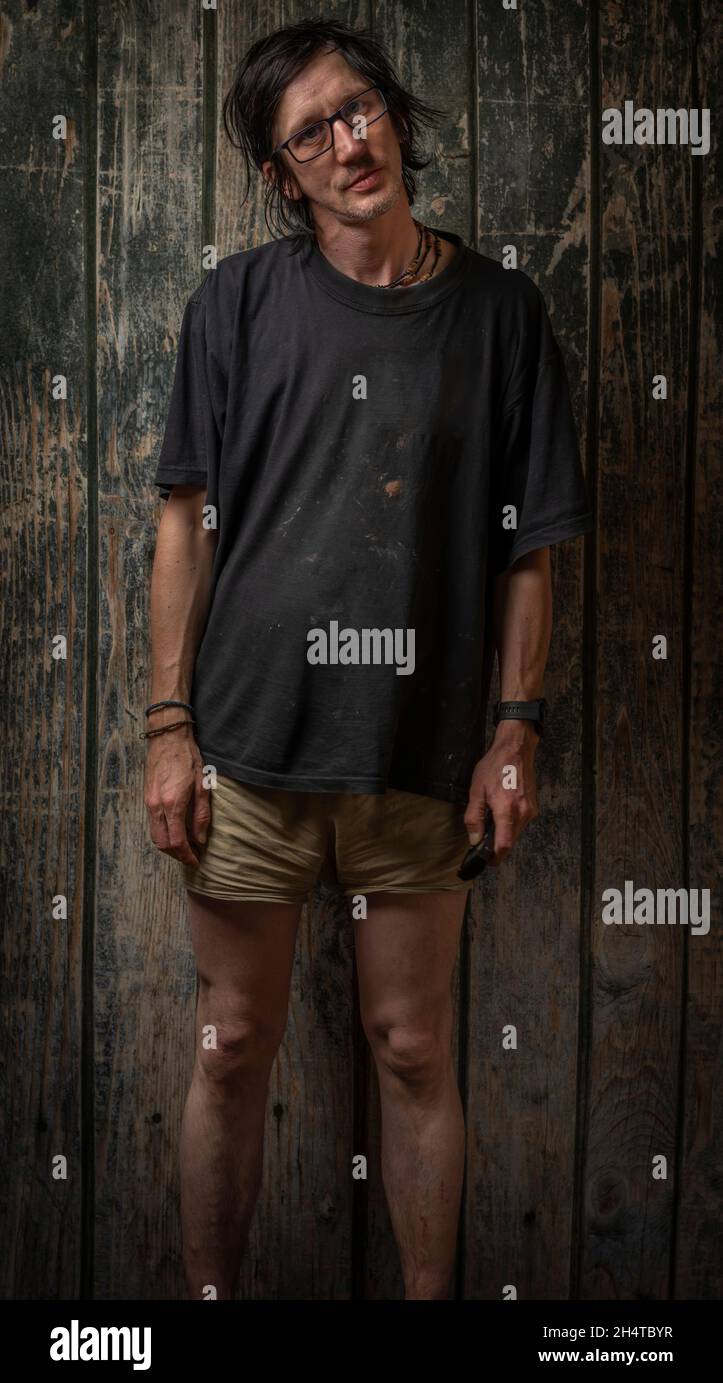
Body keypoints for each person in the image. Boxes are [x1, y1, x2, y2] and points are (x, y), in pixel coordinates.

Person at [143, 17, 593, 1300]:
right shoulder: (234, 303)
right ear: (283, 173)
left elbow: (530, 548)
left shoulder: (501, 313)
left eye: (363, 109)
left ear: (393, 115)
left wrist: (515, 728)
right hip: (247, 746)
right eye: (315, 132)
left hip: (417, 751)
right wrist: (169, 728)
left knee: (411, 1049)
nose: (351, 141)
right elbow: (186, 519)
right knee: (232, 1044)